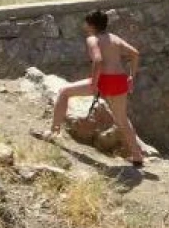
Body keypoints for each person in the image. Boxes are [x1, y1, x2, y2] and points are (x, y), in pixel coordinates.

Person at [41, 10, 144, 168]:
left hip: (104, 80)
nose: (84, 26)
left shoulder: (92, 39)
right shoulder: (114, 38)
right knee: (122, 119)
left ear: (91, 25)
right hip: (120, 80)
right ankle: (137, 156)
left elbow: (98, 60)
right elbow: (135, 54)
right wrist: (131, 77)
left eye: (85, 23)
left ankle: (53, 131)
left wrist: (94, 83)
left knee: (64, 92)